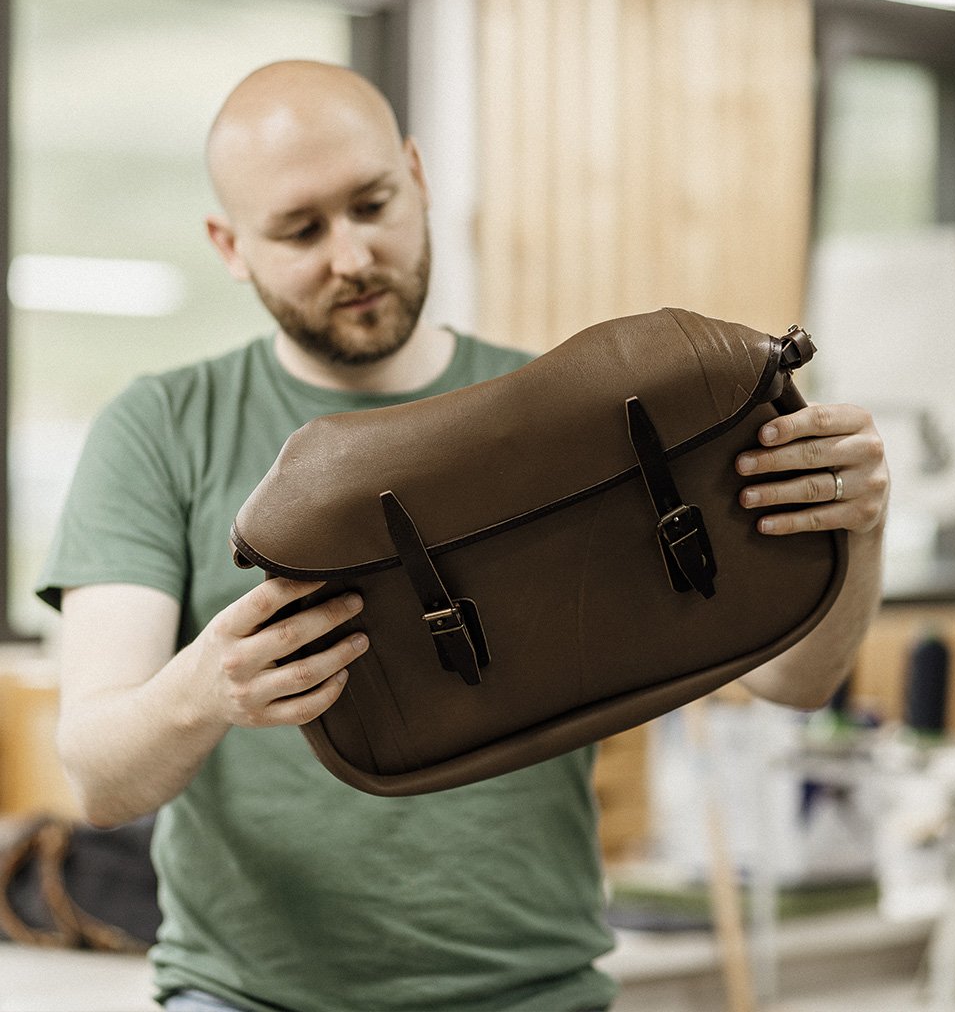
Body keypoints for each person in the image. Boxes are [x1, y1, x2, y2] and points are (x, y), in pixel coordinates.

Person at [38, 60, 889, 1012]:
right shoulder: (160, 428)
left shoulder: (565, 415)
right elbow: (99, 776)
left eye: (372, 204)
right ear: (228, 245)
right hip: (249, 999)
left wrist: (858, 529)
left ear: (418, 175)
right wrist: (204, 690)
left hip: (537, 991)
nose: (352, 256)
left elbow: (795, 683)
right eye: (300, 230)